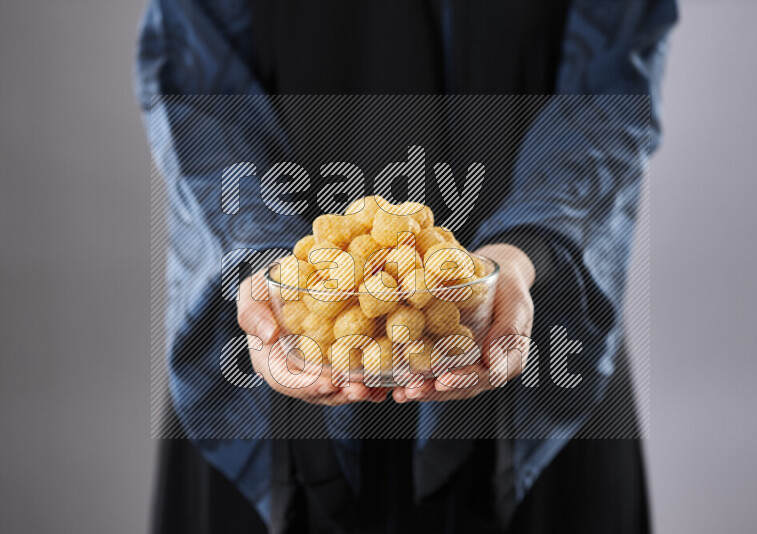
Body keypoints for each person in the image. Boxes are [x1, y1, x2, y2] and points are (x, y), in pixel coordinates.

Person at [137, 1, 678, 532]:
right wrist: (282, 276)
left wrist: (522, 249)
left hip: (535, 319)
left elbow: (614, 69)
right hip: (278, 376)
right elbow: (194, 74)